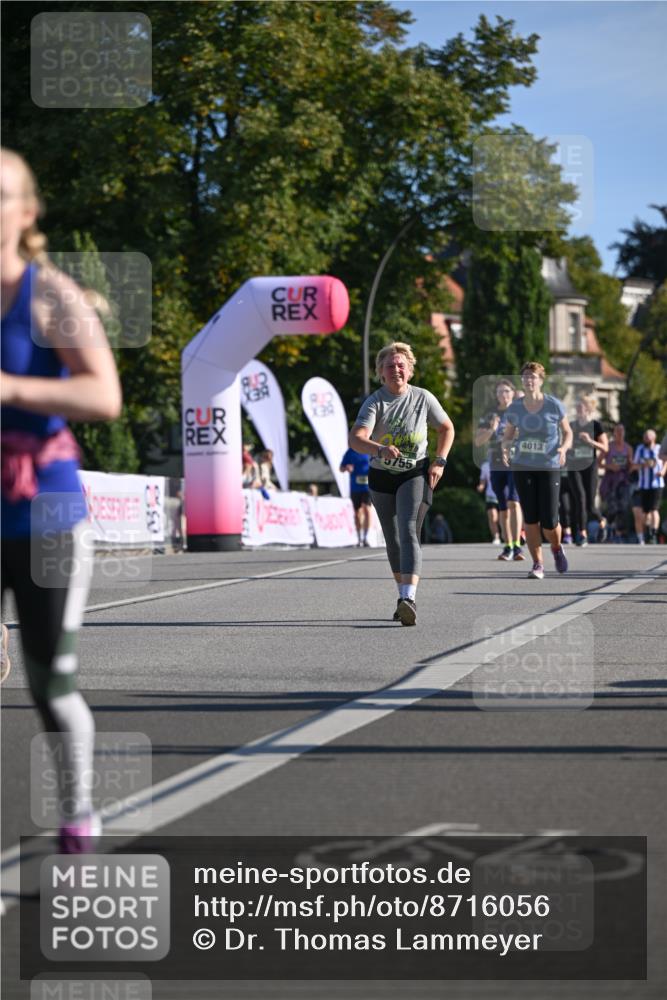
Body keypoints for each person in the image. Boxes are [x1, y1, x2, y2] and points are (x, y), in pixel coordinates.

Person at [1, 148, 122, 851]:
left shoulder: (49, 296)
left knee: (49, 683)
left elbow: (102, 395)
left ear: (25, 212)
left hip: (44, 514)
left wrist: (10, 388)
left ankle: (78, 817)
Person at [349, 342, 454, 625]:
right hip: (381, 475)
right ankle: (401, 596)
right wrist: (379, 449)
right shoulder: (375, 402)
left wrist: (440, 461)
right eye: (390, 366)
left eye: (401, 365)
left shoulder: (423, 398)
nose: (396, 369)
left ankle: (409, 598)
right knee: (393, 539)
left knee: (408, 531)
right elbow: (356, 438)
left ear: (409, 370)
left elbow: (446, 428)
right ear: (381, 373)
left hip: (414, 474)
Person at [501, 361, 572, 579]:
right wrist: (505, 449)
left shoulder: (554, 405)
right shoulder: (515, 407)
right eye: (525, 377)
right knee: (531, 518)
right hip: (523, 465)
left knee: (550, 520)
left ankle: (557, 547)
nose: (529, 380)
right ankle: (537, 564)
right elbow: (508, 435)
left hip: (549, 465)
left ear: (541, 380)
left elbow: (568, 432)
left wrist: (564, 448)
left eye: (533, 377)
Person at [474, 379, 524, 562]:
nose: (503, 395)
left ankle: (517, 545)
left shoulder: (520, 412)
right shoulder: (490, 414)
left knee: (514, 501)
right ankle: (508, 545)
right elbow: (478, 441)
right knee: (502, 505)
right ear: (496, 395)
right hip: (495, 462)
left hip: (515, 462)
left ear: (513, 393)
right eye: (500, 392)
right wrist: (492, 429)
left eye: (507, 391)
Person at [566, 394, 608, 546]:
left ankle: (601, 519)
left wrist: (590, 441)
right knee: (580, 499)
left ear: (589, 408)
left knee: (590, 504)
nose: (578, 408)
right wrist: (566, 446)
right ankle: (582, 534)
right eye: (577, 405)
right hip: (574, 466)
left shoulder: (596, 425)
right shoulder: (572, 425)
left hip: (590, 467)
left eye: (581, 405)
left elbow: (605, 447)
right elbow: (566, 442)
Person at [599, 423, 633, 542]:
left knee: (623, 507)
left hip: (623, 481)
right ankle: (609, 530)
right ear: (614, 433)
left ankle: (620, 533)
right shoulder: (609, 446)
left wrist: (631, 464)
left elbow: (631, 465)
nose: (619, 433)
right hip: (610, 481)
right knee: (611, 508)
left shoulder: (628, 448)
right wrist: (609, 466)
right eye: (617, 431)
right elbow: (598, 463)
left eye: (622, 431)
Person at [632, 429, 665, 544]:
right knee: (645, 512)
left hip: (657, 483)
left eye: (648, 437)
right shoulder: (640, 449)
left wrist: (663, 471)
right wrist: (643, 465)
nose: (646, 439)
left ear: (653, 438)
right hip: (643, 484)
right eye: (645, 437)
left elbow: (666, 461)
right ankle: (647, 530)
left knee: (654, 509)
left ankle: (653, 533)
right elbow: (634, 465)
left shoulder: (659, 448)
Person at [340, 447, 372, 546]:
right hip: (355, 487)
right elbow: (341, 468)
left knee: (367, 509)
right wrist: (346, 468)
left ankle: (366, 537)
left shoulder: (369, 450)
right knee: (357, 513)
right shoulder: (350, 452)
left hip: (368, 486)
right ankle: (359, 538)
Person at [476, 459, 502, 545]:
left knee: (503, 518)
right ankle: (496, 537)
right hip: (491, 495)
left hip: (503, 494)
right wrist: (481, 486)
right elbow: (483, 481)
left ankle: (507, 535)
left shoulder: (505, 463)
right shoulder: (485, 466)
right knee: (493, 517)